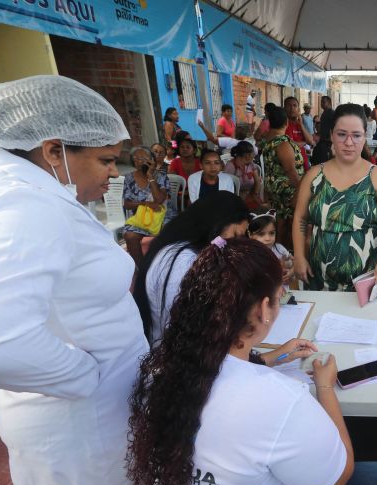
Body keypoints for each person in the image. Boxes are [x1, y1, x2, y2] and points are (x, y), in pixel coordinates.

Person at [127, 238, 377, 485]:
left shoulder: (163, 370)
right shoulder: (277, 398)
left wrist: (271, 357)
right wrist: (326, 389)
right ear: (263, 310)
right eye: (279, 297)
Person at [0, 75, 149, 485]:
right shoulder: (27, 206)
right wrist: (84, 376)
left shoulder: (25, 189)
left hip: (77, 420)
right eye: (107, 160)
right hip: (79, 428)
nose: (115, 173)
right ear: (53, 151)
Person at [293, 104, 377, 291]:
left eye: (356, 135)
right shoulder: (314, 176)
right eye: (342, 134)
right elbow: (300, 218)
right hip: (319, 277)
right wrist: (299, 257)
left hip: (367, 279)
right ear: (332, 134)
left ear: (365, 136)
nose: (349, 142)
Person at [134, 191, 250, 346]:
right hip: (173, 357)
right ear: (216, 223)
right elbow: (186, 330)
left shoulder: (186, 250)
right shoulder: (183, 261)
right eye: (234, 235)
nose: (232, 245)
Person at [262, 106, 305, 248]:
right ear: (286, 121)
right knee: (291, 223)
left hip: (276, 188)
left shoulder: (268, 140)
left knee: (281, 221)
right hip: (288, 189)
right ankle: (289, 251)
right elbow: (291, 171)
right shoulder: (282, 143)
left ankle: (279, 250)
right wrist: (302, 189)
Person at [123, 146, 170, 267]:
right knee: (130, 235)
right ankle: (142, 270)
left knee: (170, 233)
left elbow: (159, 199)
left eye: (143, 158)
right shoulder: (128, 178)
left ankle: (163, 267)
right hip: (141, 218)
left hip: (162, 216)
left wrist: (150, 176)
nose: (139, 161)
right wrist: (145, 203)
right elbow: (127, 204)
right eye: (136, 158)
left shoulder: (161, 176)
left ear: (152, 160)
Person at [248, 209, 294, 284]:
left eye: (271, 233)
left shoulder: (279, 248)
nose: (268, 238)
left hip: (283, 293)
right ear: (250, 235)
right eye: (261, 234)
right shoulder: (249, 254)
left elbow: (294, 262)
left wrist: (291, 272)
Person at [224, 141, 263, 209]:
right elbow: (227, 187)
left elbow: (257, 181)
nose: (251, 159)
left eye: (252, 157)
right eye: (250, 157)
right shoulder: (231, 166)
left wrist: (255, 194)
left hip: (251, 195)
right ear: (243, 156)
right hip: (236, 199)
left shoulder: (251, 164)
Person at [284, 96, 312, 171]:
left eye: (294, 105)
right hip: (291, 167)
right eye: (289, 105)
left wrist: (301, 125)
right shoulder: (283, 125)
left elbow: (311, 141)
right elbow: (290, 144)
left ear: (298, 109)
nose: (292, 108)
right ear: (284, 108)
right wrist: (305, 142)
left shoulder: (300, 124)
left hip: (304, 164)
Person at [311, 95, 335, 165]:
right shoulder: (324, 113)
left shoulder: (331, 113)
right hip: (323, 140)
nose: (321, 104)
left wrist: (331, 139)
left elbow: (334, 127)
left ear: (329, 103)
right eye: (321, 102)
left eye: (323, 102)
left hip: (328, 142)